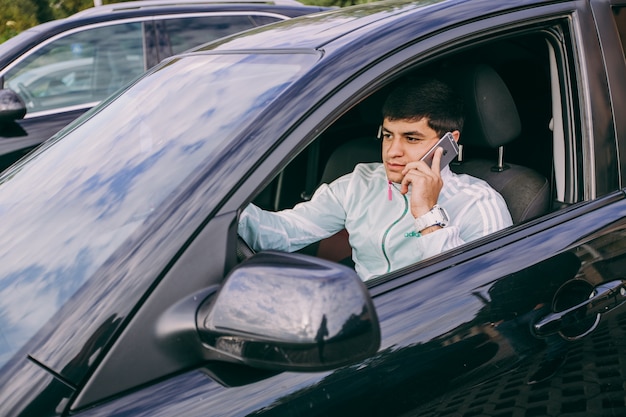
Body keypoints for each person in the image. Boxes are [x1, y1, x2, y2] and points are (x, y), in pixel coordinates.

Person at [238, 77, 513, 281]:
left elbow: (482, 290)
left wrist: (427, 214)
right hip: (364, 319)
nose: (393, 151)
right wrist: (219, 208)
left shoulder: (479, 203)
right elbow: (283, 233)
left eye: (412, 138)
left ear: (448, 142)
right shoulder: (359, 183)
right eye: (388, 135)